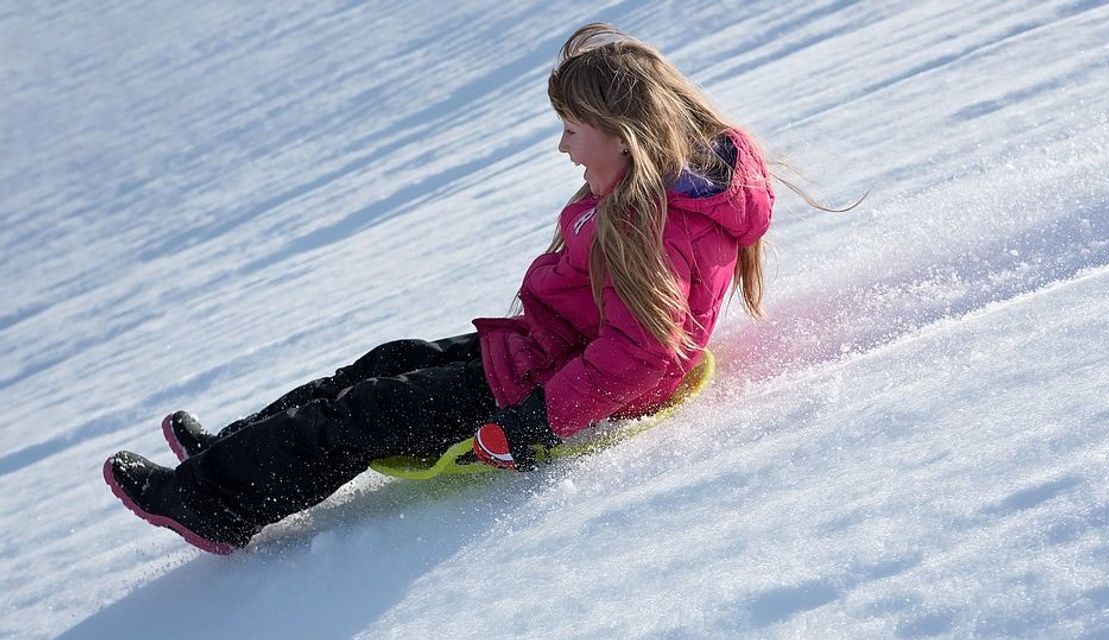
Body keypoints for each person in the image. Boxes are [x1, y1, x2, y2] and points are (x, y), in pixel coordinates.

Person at [104, 22, 777, 555]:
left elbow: (639, 357)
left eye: (573, 130)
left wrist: (536, 424)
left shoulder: (652, 225)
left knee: (363, 413)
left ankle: (212, 504)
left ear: (627, 138)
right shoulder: (656, 195)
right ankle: (231, 450)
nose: (564, 148)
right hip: (545, 353)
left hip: (545, 390)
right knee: (386, 362)